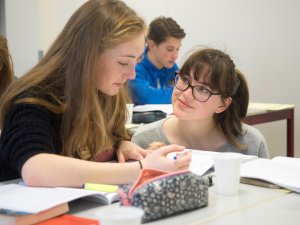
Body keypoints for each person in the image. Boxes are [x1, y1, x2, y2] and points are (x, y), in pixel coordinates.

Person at [0, 0, 191, 186]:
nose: (131, 74)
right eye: (124, 62)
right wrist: (141, 168)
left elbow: (112, 137)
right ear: (87, 56)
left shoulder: (103, 91)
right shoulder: (34, 98)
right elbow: (36, 169)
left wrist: (122, 146)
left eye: (137, 61)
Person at [132, 48, 270, 158]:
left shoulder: (251, 143)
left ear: (223, 105)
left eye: (203, 89)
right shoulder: (145, 139)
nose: (186, 93)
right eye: (185, 80)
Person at [128, 16, 186, 105]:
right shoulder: (135, 66)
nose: (176, 56)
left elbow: (183, 89)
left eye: (177, 49)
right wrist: (174, 91)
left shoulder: (171, 65)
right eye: (170, 49)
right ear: (152, 45)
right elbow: (148, 99)